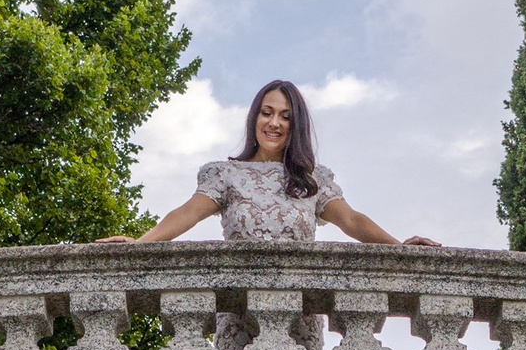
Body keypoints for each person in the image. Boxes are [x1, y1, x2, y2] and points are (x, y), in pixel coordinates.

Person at [105, 79, 439, 248]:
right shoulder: (226, 175)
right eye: (267, 113)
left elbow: (351, 221)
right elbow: (185, 214)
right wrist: (140, 242)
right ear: (255, 117)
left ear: (296, 125)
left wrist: (399, 247)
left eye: (285, 116)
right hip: (240, 309)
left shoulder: (312, 180)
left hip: (298, 311)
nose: (274, 123)